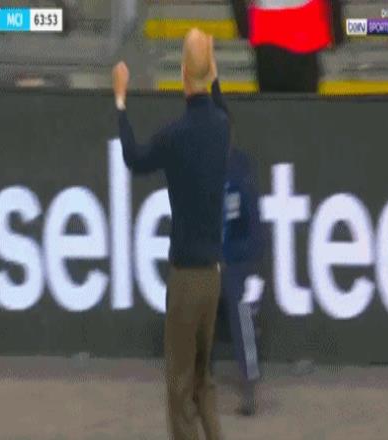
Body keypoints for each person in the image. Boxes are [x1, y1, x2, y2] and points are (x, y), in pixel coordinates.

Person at [112, 29, 229, 440]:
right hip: (213, 276)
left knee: (179, 391)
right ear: (210, 72)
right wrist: (210, 69)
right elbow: (219, 102)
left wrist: (121, 101)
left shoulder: (174, 137)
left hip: (184, 279)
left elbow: (133, 157)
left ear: (181, 75)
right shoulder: (222, 127)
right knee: (203, 383)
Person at [221, 147, 264, 416]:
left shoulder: (238, 180)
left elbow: (251, 232)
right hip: (218, 260)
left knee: (242, 316)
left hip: (241, 262)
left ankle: (249, 382)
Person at [230, 0, 343, 92]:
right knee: (304, 103)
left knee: (271, 102)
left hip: (268, 33)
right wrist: (336, 30)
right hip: (304, 33)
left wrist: (244, 27)